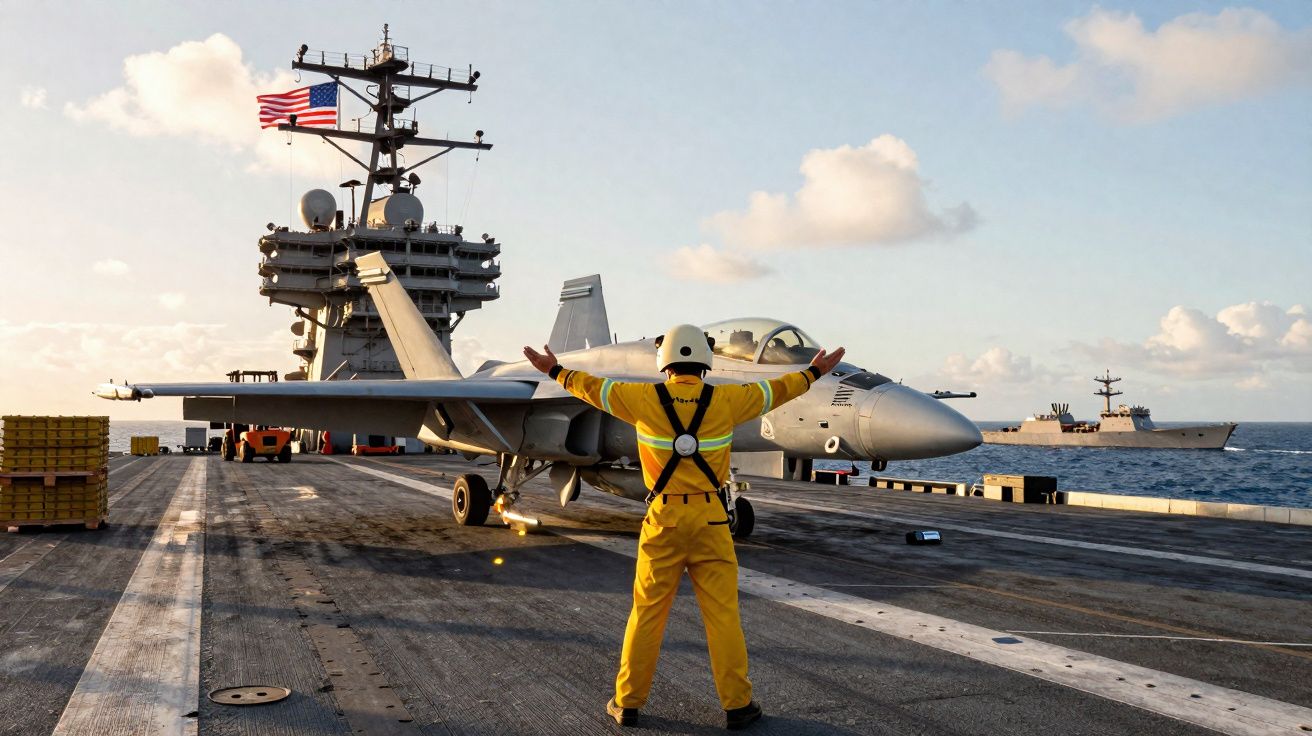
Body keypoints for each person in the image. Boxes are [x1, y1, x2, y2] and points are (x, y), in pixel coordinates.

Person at [523, 325, 844, 730]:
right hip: (712, 520)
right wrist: (813, 373)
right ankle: (737, 706)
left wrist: (554, 370)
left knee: (647, 614)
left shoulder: (640, 398)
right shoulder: (729, 399)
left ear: (665, 360)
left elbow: (592, 388)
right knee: (723, 617)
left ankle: (628, 703)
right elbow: (777, 390)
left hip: (664, 520)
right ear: (705, 360)